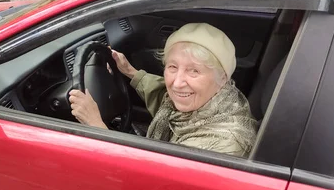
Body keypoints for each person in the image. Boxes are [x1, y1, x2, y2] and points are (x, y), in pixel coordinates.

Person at [69, 22, 258, 157]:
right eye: (172, 67)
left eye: (194, 71)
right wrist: (131, 72)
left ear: (222, 77)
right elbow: (164, 94)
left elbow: (151, 181)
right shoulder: (219, 97)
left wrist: (96, 126)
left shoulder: (221, 145)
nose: (176, 83)